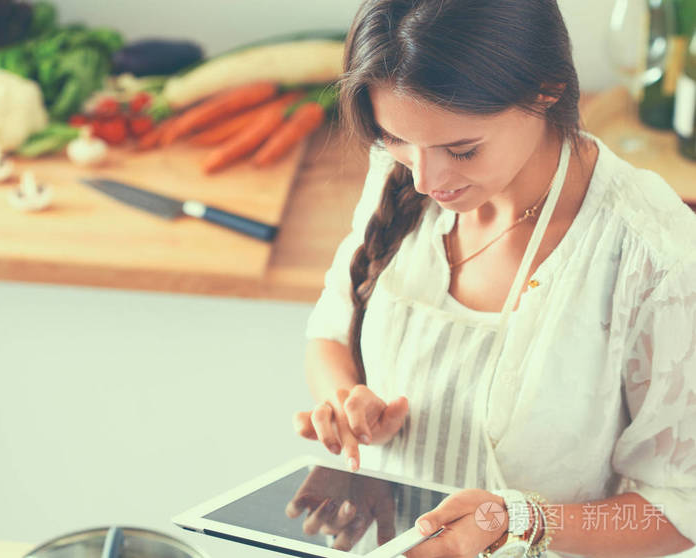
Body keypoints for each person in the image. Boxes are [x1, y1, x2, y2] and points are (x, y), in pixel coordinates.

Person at [292, 1, 696, 557]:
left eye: (462, 149)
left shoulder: (655, 255)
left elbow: (682, 508)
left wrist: (517, 521)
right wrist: (344, 402)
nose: (429, 179)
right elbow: (331, 329)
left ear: (547, 89)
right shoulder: (402, 171)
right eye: (397, 139)